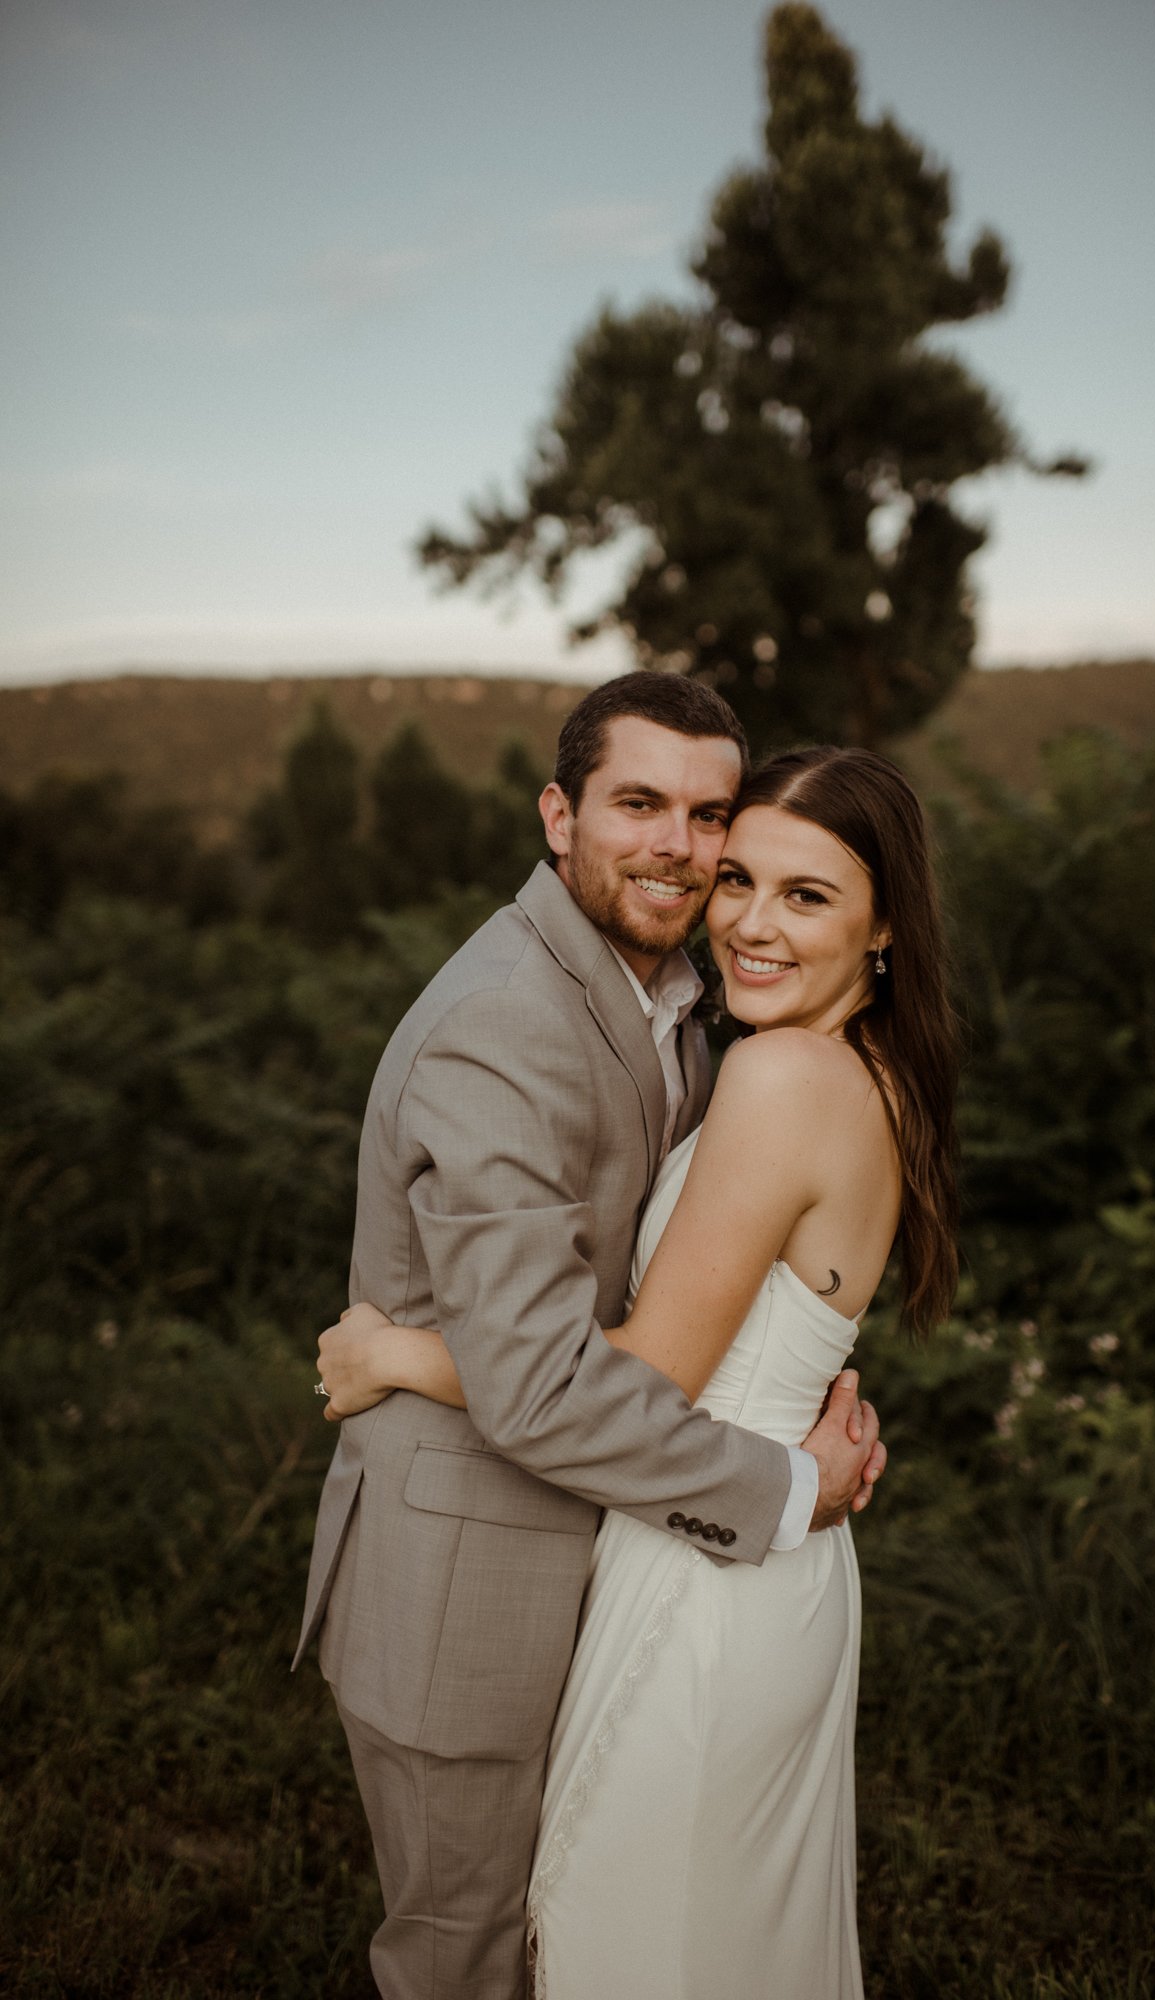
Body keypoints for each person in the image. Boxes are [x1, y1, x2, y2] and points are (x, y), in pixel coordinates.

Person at [319, 741, 960, 1998]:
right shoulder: (857, 1071)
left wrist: (395, 1348)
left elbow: (644, 1372)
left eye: (808, 895)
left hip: (704, 1583)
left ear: (885, 923)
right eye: (740, 882)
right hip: (750, 1549)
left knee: (639, 1948)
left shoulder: (780, 1074)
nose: (752, 926)